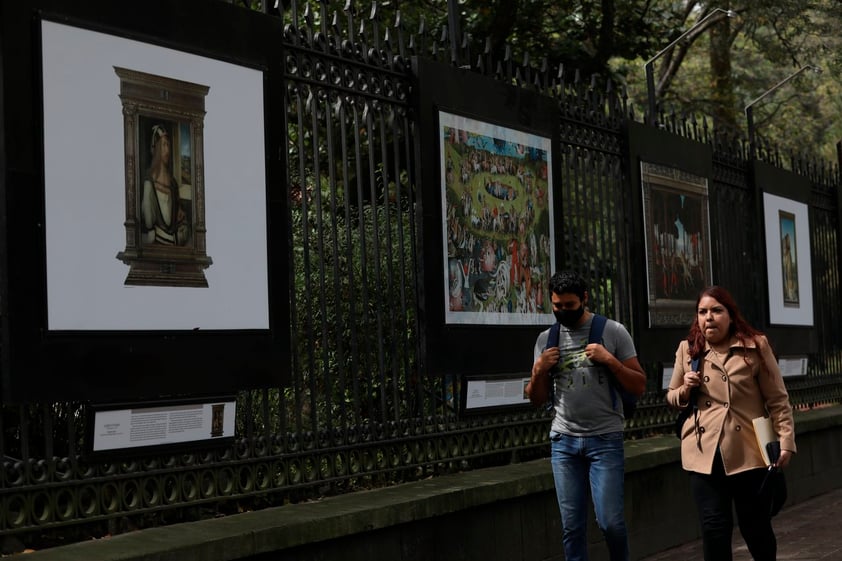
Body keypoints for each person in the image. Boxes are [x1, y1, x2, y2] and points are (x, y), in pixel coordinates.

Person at [666, 286, 796, 561]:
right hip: (703, 453)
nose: (709, 318)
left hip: (748, 451)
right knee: (714, 529)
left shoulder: (755, 346)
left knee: (756, 528)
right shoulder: (688, 350)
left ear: (730, 315)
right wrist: (686, 389)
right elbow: (672, 396)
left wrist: (785, 440)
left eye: (716, 311)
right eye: (702, 312)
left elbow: (777, 399)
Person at [526, 270, 646, 561]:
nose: (563, 312)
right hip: (564, 442)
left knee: (610, 523)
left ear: (584, 299)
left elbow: (639, 384)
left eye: (569, 305)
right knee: (572, 527)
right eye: (557, 306)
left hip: (604, 439)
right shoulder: (546, 339)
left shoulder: (613, 331)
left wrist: (610, 361)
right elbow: (536, 398)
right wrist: (539, 370)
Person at [140, 124, 190, 246]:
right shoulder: (149, 182)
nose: (167, 150)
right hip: (157, 240)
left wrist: (180, 213)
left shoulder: (172, 182)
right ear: (156, 148)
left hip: (173, 240)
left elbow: (177, 212)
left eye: (168, 145)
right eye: (163, 145)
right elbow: (148, 219)